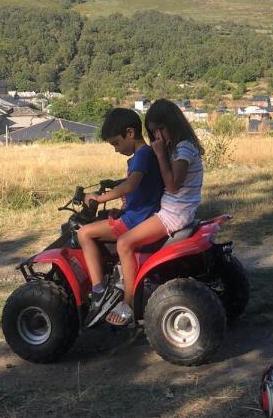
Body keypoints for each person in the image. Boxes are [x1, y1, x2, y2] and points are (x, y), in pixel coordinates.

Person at [106, 98, 204, 327]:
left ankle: (128, 304)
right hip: (172, 209)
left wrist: (159, 154)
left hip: (173, 214)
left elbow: (172, 186)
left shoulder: (184, 149)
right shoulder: (180, 147)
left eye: (160, 129)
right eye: (153, 132)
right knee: (130, 226)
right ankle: (124, 279)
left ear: (173, 124)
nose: (157, 136)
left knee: (123, 243)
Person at [79, 107, 163, 327]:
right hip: (140, 214)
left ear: (130, 133)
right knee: (101, 224)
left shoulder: (143, 154)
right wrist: (119, 208)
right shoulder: (144, 155)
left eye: (116, 143)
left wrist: (100, 198)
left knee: (84, 233)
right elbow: (140, 190)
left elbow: (132, 184)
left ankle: (98, 292)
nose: (116, 150)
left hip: (137, 220)